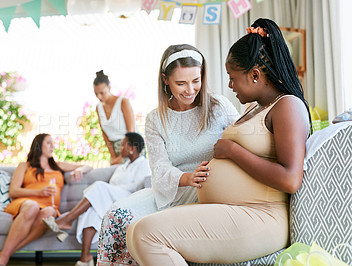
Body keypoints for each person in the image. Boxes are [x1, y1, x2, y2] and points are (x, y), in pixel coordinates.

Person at [126, 18, 311, 265]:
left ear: (255, 75)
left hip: (260, 217)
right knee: (135, 230)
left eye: (233, 77)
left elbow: (290, 179)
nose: (229, 85)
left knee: (146, 234)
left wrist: (234, 151)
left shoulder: (287, 106)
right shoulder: (257, 108)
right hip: (234, 209)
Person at [97, 44, 239, 265]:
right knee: (116, 215)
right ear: (165, 80)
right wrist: (187, 178)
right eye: (180, 83)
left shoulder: (218, 106)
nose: (190, 90)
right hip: (173, 191)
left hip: (209, 190)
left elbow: (245, 140)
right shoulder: (156, 119)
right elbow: (160, 169)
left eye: (196, 81)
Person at [0, 133, 92, 266]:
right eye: (48, 143)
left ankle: (2, 254)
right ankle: (3, 260)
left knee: (49, 212)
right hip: (25, 203)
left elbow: (89, 166)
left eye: (53, 143)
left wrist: (81, 170)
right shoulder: (25, 166)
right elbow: (13, 191)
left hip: (49, 206)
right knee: (32, 206)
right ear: (38, 145)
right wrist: (39, 192)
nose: (53, 146)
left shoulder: (58, 166)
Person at [42, 132, 151, 266]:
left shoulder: (144, 164)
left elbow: (138, 187)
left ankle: (68, 219)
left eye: (123, 145)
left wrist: (108, 191)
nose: (120, 149)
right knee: (92, 212)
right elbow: (111, 185)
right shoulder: (121, 168)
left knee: (99, 186)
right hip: (111, 199)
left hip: (128, 198)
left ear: (132, 148)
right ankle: (85, 257)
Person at [94, 70, 136, 165]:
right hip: (114, 150)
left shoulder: (123, 102)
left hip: (131, 148)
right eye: (96, 93)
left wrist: (122, 156)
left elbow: (131, 131)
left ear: (109, 87)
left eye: (102, 93)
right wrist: (113, 156)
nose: (99, 97)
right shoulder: (98, 107)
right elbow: (104, 133)